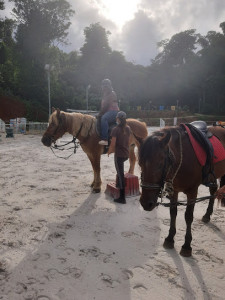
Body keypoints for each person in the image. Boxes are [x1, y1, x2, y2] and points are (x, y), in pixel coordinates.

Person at [107, 111, 131, 204]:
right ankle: (119, 185)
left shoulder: (115, 129)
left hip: (119, 155)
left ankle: (122, 197)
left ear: (118, 119)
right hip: (126, 154)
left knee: (120, 175)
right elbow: (128, 141)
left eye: (116, 118)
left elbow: (112, 144)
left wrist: (109, 151)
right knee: (120, 172)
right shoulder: (128, 128)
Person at [98, 79, 119, 146]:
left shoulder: (112, 93)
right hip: (107, 112)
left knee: (104, 118)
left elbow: (106, 106)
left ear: (109, 86)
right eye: (104, 86)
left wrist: (100, 114)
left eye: (106, 86)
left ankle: (105, 139)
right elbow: (103, 107)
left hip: (113, 111)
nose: (104, 88)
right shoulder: (105, 95)